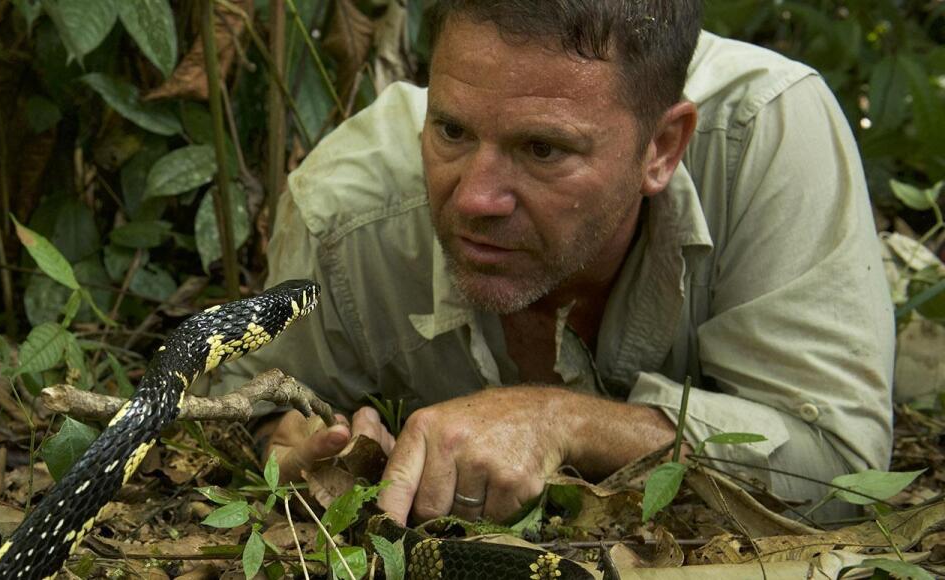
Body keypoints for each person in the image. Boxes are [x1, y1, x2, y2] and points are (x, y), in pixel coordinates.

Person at [199, 0, 894, 524]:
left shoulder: (762, 133)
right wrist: (289, 445)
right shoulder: (345, 218)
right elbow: (247, 410)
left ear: (662, 148)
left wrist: (562, 422)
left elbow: (843, 469)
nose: (475, 198)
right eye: (451, 130)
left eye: (542, 150)